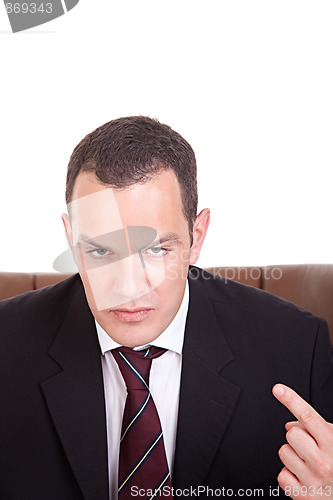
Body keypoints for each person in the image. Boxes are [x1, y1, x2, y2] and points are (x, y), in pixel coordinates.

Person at [0, 116, 332, 500]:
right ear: (72, 239)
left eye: (156, 250)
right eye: (100, 251)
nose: (127, 288)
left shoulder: (296, 349)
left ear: (197, 236)